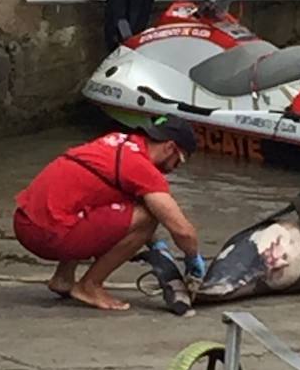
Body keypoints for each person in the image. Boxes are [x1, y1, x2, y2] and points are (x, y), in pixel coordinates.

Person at [13, 115, 206, 312]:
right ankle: (90, 285)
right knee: (148, 217)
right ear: (169, 148)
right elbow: (181, 230)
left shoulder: (117, 141)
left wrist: (154, 244)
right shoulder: (141, 168)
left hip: (25, 219)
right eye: (179, 160)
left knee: (93, 200)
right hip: (46, 234)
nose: (174, 169)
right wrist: (192, 258)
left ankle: (63, 278)